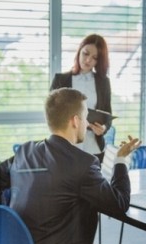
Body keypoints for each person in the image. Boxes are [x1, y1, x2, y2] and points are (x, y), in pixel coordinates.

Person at [0, 87, 139, 244]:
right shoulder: (83, 164)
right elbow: (119, 204)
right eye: (84, 118)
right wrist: (120, 161)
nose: (86, 124)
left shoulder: (25, 152)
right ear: (75, 120)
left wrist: (6, 230)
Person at [50, 34, 112, 162]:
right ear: (79, 51)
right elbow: (51, 113)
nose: (88, 60)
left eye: (94, 58)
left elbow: (107, 115)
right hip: (66, 147)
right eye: (86, 53)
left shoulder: (103, 82)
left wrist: (103, 128)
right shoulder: (61, 80)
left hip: (93, 147)